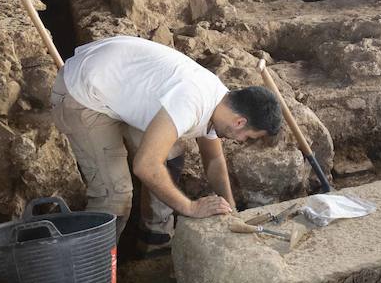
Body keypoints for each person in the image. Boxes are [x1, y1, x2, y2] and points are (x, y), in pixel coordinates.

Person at [50, 36, 283, 245]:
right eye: (248, 137)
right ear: (240, 122)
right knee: (115, 195)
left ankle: (154, 239)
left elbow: (213, 159)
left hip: (115, 79)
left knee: (171, 154)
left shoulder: (222, 103)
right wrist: (190, 208)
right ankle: (94, 274)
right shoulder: (191, 102)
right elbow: (145, 165)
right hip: (82, 92)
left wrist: (230, 209)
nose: (241, 140)